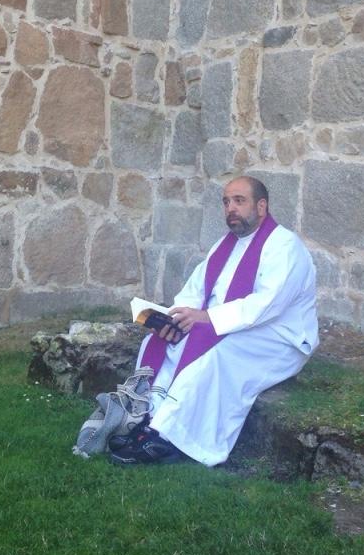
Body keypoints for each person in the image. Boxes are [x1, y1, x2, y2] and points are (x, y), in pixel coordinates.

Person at [110, 175, 318, 467]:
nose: (230, 208)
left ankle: (173, 440)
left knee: (215, 353)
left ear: (261, 206)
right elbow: (195, 292)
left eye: (239, 201)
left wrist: (207, 319)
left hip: (280, 337)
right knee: (159, 341)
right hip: (228, 324)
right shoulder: (224, 245)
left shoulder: (285, 247)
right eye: (226, 202)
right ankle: (149, 419)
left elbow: (266, 305)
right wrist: (173, 318)